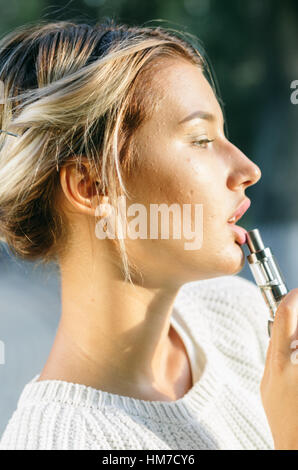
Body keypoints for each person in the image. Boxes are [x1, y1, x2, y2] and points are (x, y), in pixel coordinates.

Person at [0, 19, 296, 451]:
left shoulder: (236, 312)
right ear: (91, 186)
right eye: (200, 139)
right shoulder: (52, 441)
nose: (248, 170)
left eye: (224, 135)